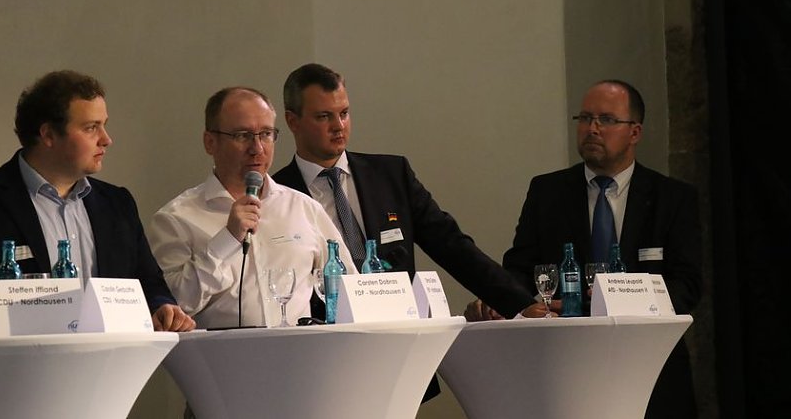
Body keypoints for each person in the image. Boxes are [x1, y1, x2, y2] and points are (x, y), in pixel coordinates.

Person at [272, 63, 540, 399]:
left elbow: (452, 245)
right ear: (293, 120)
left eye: (344, 113)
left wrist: (520, 302)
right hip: (319, 360)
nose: (339, 126)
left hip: (396, 353)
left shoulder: (390, 174)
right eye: (324, 117)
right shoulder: (277, 194)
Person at [466, 79, 701, 418]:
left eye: (606, 120)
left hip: (649, 364)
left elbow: (688, 285)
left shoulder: (672, 198)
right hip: (564, 364)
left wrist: (619, 301)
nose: (592, 129)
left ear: (634, 132)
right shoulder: (547, 191)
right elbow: (520, 267)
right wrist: (500, 299)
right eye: (585, 118)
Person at [0, 70, 194, 332]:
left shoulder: (118, 205)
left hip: (112, 364)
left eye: (104, 125)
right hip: (16, 366)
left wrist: (163, 307)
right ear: (48, 135)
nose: (107, 139)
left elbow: (150, 284)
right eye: (91, 127)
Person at [147, 87, 355, 330]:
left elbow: (350, 290)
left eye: (266, 134)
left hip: (300, 357)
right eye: (242, 135)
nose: (257, 148)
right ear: (210, 142)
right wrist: (227, 239)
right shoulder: (176, 219)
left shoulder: (303, 208)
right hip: (219, 363)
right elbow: (171, 309)